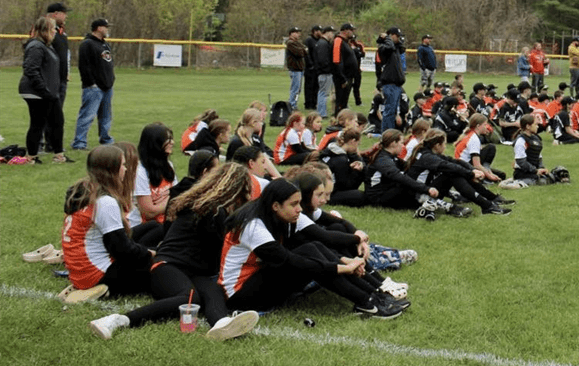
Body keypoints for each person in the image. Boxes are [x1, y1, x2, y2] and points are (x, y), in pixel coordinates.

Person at [88, 163, 260, 341]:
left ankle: (222, 324)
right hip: (167, 266)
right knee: (190, 300)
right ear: (236, 190)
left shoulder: (206, 206)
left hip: (194, 272)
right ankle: (117, 320)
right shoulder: (211, 211)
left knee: (213, 292)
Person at [219, 179, 406, 319]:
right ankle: (366, 302)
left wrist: (345, 260)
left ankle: (373, 296)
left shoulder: (282, 213)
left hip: (262, 280)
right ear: (275, 206)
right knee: (308, 255)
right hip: (241, 295)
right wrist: (341, 267)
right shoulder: (253, 226)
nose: (299, 209)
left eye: (299, 203)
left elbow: (323, 237)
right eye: (294, 204)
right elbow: (291, 261)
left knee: (314, 247)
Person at [60, 145, 153, 303]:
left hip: (81, 270)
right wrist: (148, 253)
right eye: (123, 165)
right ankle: (101, 289)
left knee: (153, 228)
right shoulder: (105, 201)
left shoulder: (84, 189)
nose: (126, 169)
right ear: (112, 170)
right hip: (96, 274)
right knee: (159, 264)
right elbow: (121, 250)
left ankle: (88, 286)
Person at [407, 129, 510, 215]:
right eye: (445, 144)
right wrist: (471, 174)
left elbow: (455, 161)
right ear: (437, 145)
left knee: (456, 171)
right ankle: (487, 205)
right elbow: (448, 166)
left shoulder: (428, 153)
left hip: (428, 191)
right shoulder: (427, 157)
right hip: (420, 197)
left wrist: (473, 170)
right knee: (453, 173)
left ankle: (490, 200)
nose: (445, 147)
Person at [19, 17, 71, 164]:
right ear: (44, 30)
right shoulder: (36, 46)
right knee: (38, 123)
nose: (55, 31)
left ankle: (58, 155)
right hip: (37, 92)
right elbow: (30, 69)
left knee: (56, 121)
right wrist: (43, 89)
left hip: (47, 92)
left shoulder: (46, 46)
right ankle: (32, 157)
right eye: (52, 29)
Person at [72, 18, 115, 151]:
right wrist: (91, 83)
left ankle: (106, 139)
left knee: (106, 116)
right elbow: (84, 66)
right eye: (105, 27)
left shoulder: (104, 44)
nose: (107, 29)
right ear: (98, 28)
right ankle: (79, 143)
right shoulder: (88, 44)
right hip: (94, 88)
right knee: (87, 116)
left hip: (107, 86)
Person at [43, 3, 70, 153]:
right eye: (64, 13)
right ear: (55, 14)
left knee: (57, 114)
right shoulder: (44, 31)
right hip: (49, 80)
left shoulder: (61, 32)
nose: (66, 16)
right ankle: (41, 144)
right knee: (46, 113)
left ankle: (52, 144)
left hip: (61, 79)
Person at [378, 27, 407, 132]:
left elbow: (402, 47)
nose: (399, 38)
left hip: (396, 84)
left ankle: (389, 131)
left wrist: (397, 40)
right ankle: (386, 132)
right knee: (389, 111)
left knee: (393, 110)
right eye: (397, 36)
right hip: (389, 83)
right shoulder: (384, 48)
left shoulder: (396, 49)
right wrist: (387, 38)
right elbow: (389, 47)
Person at [332, 23, 359, 116]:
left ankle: (343, 119)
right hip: (343, 77)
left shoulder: (346, 42)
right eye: (351, 30)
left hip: (349, 76)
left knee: (344, 101)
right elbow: (336, 60)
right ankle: (338, 119)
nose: (353, 32)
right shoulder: (338, 40)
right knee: (340, 101)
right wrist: (342, 78)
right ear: (345, 31)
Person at [311, 26, 336, 116]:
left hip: (322, 72)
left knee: (322, 92)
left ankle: (321, 111)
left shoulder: (321, 43)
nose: (332, 35)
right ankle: (321, 113)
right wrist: (328, 69)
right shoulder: (323, 43)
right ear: (327, 32)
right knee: (323, 93)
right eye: (331, 33)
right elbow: (322, 60)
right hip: (324, 72)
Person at [284, 27, 307, 110]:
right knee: (295, 89)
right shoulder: (290, 43)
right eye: (296, 32)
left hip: (299, 69)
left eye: (299, 32)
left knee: (298, 89)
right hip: (295, 69)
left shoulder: (297, 43)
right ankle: (291, 105)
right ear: (291, 34)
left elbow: (305, 51)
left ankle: (294, 104)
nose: (298, 34)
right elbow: (300, 53)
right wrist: (303, 50)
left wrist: (303, 50)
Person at [302, 25, 321, 111]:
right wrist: (310, 64)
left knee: (316, 87)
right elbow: (306, 53)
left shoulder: (320, 41)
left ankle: (314, 103)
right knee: (309, 86)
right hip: (310, 68)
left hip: (318, 68)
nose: (320, 32)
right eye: (318, 31)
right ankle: (308, 103)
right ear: (314, 31)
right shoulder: (309, 40)